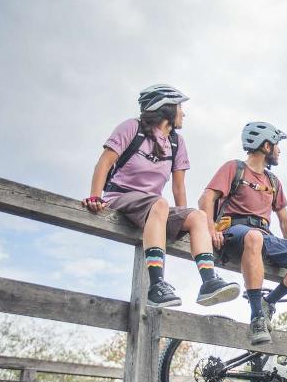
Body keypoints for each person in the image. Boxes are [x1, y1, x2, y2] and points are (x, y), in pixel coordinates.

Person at [83, 84, 240, 308]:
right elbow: (104, 162)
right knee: (159, 203)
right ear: (165, 107)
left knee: (197, 217)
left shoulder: (177, 142)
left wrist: (183, 219)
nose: (183, 113)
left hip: (154, 207)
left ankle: (209, 282)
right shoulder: (131, 128)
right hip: (120, 197)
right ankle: (156, 286)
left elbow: (178, 186)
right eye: (180, 107)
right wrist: (94, 197)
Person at [199, 121, 287, 344]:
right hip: (234, 230)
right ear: (266, 146)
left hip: (264, 236)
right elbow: (206, 198)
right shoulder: (233, 168)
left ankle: (269, 302)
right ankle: (257, 316)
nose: (279, 150)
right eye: (277, 145)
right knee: (254, 236)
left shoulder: (273, 181)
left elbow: (284, 220)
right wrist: (210, 228)